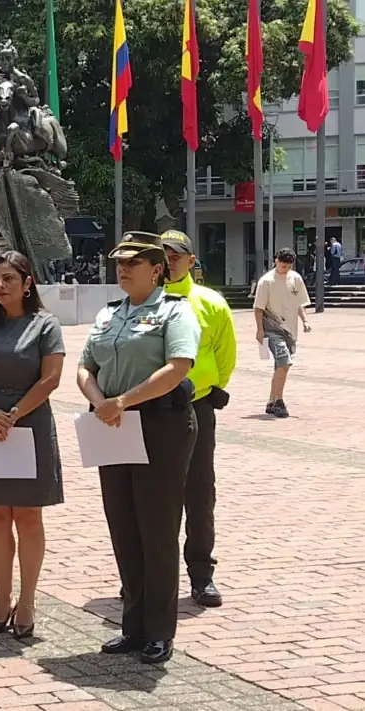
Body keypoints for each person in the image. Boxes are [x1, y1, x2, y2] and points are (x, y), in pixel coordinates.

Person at [76, 231, 201, 665]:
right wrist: (101, 403)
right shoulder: (109, 314)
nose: (123, 269)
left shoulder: (174, 312)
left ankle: (159, 630)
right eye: (120, 263)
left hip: (159, 425)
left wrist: (123, 401)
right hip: (112, 423)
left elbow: (178, 367)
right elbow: (84, 365)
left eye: (133, 263)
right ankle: (132, 626)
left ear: (157, 269)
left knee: (158, 529)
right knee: (124, 526)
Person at [0, 251, 64, 640]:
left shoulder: (45, 325)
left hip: (29, 424)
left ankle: (28, 600)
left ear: (27, 282)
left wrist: (14, 413)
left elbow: (51, 378)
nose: (0, 286)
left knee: (29, 517)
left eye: (8, 279)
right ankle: (2, 601)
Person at [162, 230, 237, 608]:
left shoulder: (209, 302)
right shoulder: (145, 301)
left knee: (200, 491)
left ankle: (201, 574)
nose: (170, 260)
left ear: (191, 260)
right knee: (153, 496)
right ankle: (150, 577)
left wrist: (210, 386)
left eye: (177, 254)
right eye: (163, 254)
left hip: (197, 407)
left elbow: (225, 355)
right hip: (151, 410)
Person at [253, 248, 311, 418]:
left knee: (281, 367)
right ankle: (279, 400)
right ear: (276, 261)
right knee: (284, 361)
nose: (284, 269)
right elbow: (258, 308)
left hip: (290, 329)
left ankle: (271, 402)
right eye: (282, 265)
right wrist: (260, 330)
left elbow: (299, 303)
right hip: (272, 328)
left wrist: (305, 320)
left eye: (287, 266)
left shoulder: (296, 279)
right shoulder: (266, 281)